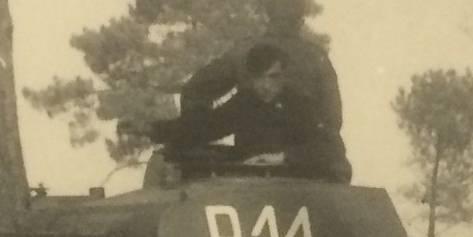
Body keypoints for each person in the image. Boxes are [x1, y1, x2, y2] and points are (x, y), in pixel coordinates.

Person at [151, 43, 352, 183]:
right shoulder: (246, 103)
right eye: (258, 78)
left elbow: (332, 148)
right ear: (250, 78)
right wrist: (153, 130)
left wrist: (281, 157)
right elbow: (206, 126)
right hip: (252, 184)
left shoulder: (299, 107)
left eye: (272, 77)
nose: (265, 86)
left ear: (284, 76)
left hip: (293, 186)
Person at [180, 0, 344, 134]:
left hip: (249, 160)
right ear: (301, 21)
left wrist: (200, 140)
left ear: (268, 17)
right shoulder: (317, 58)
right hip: (302, 162)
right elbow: (333, 119)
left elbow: (194, 90)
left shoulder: (243, 51)